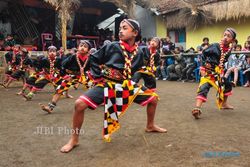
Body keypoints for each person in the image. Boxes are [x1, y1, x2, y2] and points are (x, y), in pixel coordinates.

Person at [60, 19, 167, 153]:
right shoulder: (112, 46)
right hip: (108, 84)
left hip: (126, 85)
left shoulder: (139, 53)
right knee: (79, 104)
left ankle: (150, 126)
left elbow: (136, 69)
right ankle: (74, 139)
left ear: (135, 33)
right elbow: (93, 58)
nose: (120, 31)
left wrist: (131, 80)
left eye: (124, 28)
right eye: (120, 28)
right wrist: (99, 76)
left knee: (153, 99)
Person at [192, 28, 236, 119]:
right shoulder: (215, 46)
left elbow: (223, 62)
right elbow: (203, 53)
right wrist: (202, 67)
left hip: (218, 73)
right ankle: (197, 108)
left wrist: (221, 71)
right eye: (224, 35)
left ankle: (224, 104)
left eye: (228, 36)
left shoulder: (228, 50)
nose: (225, 37)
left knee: (227, 85)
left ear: (232, 40)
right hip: (208, 72)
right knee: (204, 87)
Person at [40, 40, 92, 113]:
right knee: (60, 89)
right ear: (78, 47)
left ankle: (100, 101)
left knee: (94, 88)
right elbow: (63, 65)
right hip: (72, 76)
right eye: (81, 46)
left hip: (85, 76)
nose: (82, 48)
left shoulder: (90, 58)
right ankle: (50, 107)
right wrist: (64, 75)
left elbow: (94, 67)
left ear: (88, 50)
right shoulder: (73, 57)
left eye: (85, 47)